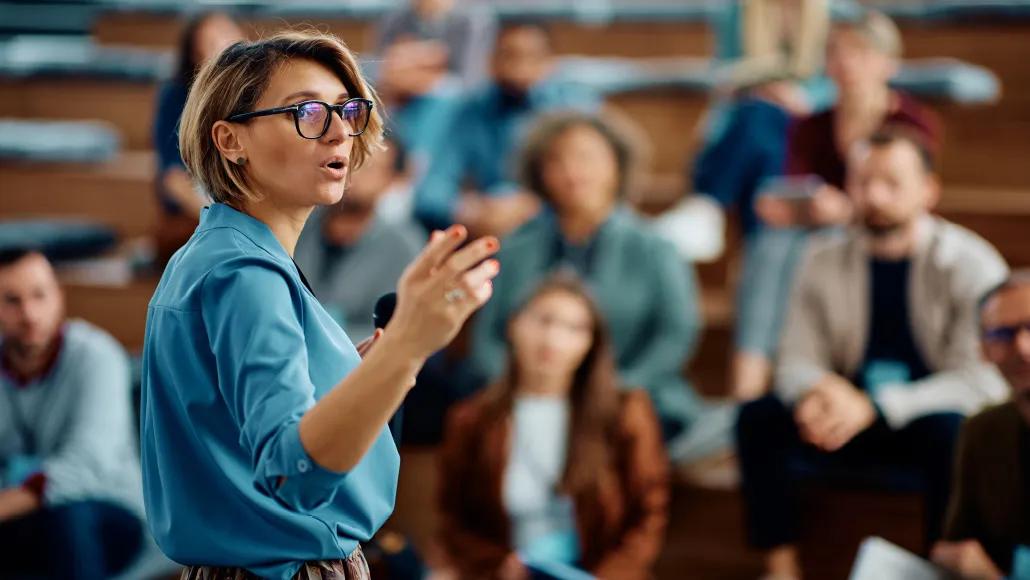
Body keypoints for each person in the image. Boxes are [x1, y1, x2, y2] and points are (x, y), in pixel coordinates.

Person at [140, 30, 500, 580]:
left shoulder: (219, 252)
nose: (338, 132)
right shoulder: (244, 273)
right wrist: (404, 349)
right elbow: (296, 474)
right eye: (307, 112)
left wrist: (362, 372)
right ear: (230, 140)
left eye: (347, 110)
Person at [735, 128, 1009, 580]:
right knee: (757, 418)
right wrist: (820, 392)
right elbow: (795, 359)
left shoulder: (971, 263)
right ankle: (780, 568)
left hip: (920, 420)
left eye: (892, 182)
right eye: (863, 181)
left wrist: (876, 407)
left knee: (955, 431)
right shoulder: (819, 256)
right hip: (840, 421)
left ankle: (937, 568)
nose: (875, 195)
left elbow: (979, 381)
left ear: (928, 190)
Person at [471, 111, 729, 464]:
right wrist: (525, 389)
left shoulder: (656, 248)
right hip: (524, 400)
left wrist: (609, 392)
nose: (571, 170)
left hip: (628, 396)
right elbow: (487, 339)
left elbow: (675, 335)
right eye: (556, 159)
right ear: (539, 173)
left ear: (617, 166)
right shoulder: (515, 249)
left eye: (586, 157)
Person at [732, 8, 943, 399]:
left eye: (858, 52)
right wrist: (784, 206)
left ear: (887, 62)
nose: (845, 63)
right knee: (771, 242)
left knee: (803, 246)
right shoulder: (811, 124)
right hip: (815, 230)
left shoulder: (913, 122)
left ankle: (765, 379)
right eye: (836, 53)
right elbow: (797, 185)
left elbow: (910, 198)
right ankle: (752, 374)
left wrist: (847, 209)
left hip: (879, 228)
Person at [439, 273, 669, 580]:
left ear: (591, 342)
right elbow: (453, 520)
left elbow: (648, 513)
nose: (553, 339)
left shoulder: (625, 412)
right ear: (513, 325)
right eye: (543, 320)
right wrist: (497, 566)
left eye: (574, 328)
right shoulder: (473, 419)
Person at [0, 248, 145, 579]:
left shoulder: (97, 356)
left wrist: (8, 503)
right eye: (11, 300)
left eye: (39, 295)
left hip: (105, 508)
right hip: (23, 516)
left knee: (69, 519)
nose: (29, 313)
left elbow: (87, 463)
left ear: (59, 297)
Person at [413, 19, 601, 236]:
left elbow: (593, 186)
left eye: (531, 56)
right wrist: (469, 210)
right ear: (490, 61)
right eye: (508, 55)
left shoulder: (575, 109)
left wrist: (533, 207)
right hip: (487, 228)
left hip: (557, 226)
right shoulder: (470, 112)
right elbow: (431, 192)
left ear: (550, 62)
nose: (519, 67)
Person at [932, 272, 1030, 580]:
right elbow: (960, 542)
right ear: (984, 351)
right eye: (1002, 334)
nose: (1023, 348)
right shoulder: (982, 430)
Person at [295, 136, 424, 340]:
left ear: (391, 181)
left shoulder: (401, 246)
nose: (356, 174)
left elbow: (395, 331)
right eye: (351, 161)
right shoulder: (298, 222)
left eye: (371, 167)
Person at [152, 11, 244, 264]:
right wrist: (222, 218)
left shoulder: (254, 93)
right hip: (199, 215)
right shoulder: (176, 97)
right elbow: (173, 180)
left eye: (229, 36)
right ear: (195, 56)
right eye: (213, 42)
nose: (226, 47)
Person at [375, 0, 496, 89]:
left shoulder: (473, 20)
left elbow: (468, 82)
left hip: (453, 109)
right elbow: (380, 70)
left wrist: (419, 60)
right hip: (399, 99)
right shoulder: (396, 18)